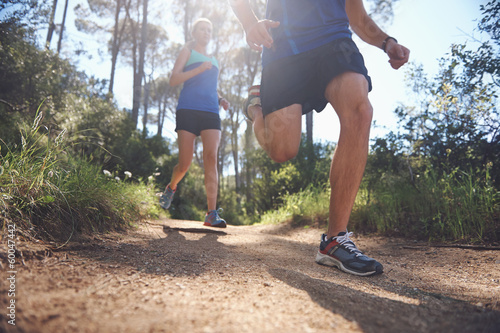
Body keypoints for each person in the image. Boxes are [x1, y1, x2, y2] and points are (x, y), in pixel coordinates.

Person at [230, 0, 410, 275]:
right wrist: (248, 22)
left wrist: (387, 42)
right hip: (283, 50)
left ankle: (335, 241)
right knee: (282, 150)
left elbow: (358, 17)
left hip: (334, 41)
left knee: (360, 110)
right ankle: (256, 109)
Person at [160, 18, 230, 228]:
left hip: (210, 111)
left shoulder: (214, 60)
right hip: (188, 109)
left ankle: (211, 213)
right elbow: (174, 79)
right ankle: (171, 187)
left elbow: (210, 86)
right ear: (194, 32)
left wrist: (220, 99)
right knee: (185, 164)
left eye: (209, 29)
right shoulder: (187, 53)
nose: (206, 32)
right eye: (202, 29)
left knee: (211, 158)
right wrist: (199, 69)